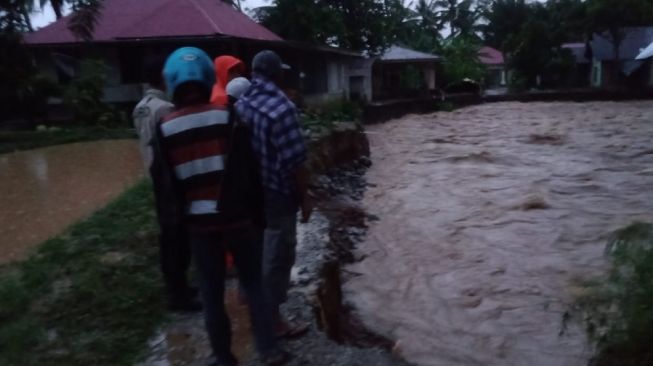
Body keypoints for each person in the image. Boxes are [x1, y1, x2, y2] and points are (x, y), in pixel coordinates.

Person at [156, 47, 287, 366]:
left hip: (200, 227)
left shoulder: (166, 128)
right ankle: (268, 350)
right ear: (206, 76)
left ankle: (223, 357)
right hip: (239, 219)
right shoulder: (228, 115)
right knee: (253, 284)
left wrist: (176, 230)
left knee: (212, 293)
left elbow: (166, 190)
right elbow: (250, 171)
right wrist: (257, 217)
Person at [235, 50, 312, 338]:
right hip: (277, 193)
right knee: (278, 254)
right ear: (278, 74)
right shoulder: (283, 109)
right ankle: (273, 321)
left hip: (249, 192)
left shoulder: (243, 103)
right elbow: (295, 162)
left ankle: (247, 295)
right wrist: (305, 197)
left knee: (253, 248)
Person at [132, 57, 200, 312]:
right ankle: (179, 295)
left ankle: (176, 287)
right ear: (163, 78)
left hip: (154, 175)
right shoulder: (165, 108)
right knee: (177, 237)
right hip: (170, 178)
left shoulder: (140, 107)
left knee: (167, 235)